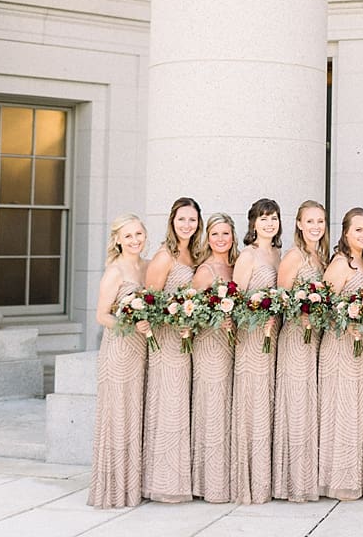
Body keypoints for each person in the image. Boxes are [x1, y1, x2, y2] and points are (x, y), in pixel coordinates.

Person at [142, 196, 202, 503]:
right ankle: (164, 482)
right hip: (167, 341)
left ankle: (182, 478)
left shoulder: (194, 254)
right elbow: (150, 302)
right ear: (172, 221)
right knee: (169, 406)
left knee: (182, 407)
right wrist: (175, 317)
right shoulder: (164, 255)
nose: (187, 225)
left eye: (192, 220)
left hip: (187, 340)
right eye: (182, 219)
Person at [87, 214, 150, 508]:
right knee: (118, 415)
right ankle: (112, 489)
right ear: (117, 240)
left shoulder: (147, 267)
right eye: (128, 236)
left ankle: (133, 485)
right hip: (119, 349)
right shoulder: (115, 271)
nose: (135, 240)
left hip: (142, 351)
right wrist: (130, 325)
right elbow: (102, 316)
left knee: (135, 414)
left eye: (138, 234)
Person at [272, 200, 329, 502]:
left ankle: (308, 477)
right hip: (295, 338)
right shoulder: (293, 257)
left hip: (315, 338)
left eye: (320, 221)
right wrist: (302, 313)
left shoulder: (321, 257)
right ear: (298, 224)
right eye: (310, 222)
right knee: (296, 407)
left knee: (309, 407)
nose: (316, 227)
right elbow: (281, 301)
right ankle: (293, 482)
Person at [318, 206, 363, 500]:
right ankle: (338, 480)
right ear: (345, 232)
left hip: (360, 347)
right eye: (358, 230)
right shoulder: (341, 263)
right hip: (340, 346)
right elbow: (323, 308)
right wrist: (348, 322)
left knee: (355, 410)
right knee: (341, 411)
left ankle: (355, 475)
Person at [231, 198, 282, 504]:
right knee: (253, 404)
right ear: (253, 223)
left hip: (273, 338)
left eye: (273, 218)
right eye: (263, 218)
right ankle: (249, 482)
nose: (268, 223)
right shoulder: (247, 256)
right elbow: (235, 302)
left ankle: (266, 478)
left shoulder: (277, 254)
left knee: (268, 403)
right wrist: (258, 317)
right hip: (252, 338)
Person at [189, 212, 239, 503]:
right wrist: (215, 321)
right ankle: (209, 483)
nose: (221, 239)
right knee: (212, 410)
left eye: (225, 234)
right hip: (210, 345)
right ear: (208, 238)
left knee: (226, 412)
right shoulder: (206, 271)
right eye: (215, 234)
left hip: (232, 345)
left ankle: (225, 478)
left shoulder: (235, 265)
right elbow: (190, 312)